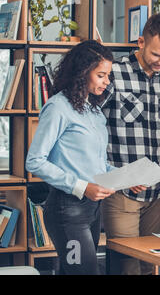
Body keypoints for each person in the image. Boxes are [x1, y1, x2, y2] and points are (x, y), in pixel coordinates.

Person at [101, 13, 160, 275]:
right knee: (125, 266)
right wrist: (113, 174)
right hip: (121, 190)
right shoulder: (114, 73)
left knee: (151, 263)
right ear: (141, 42)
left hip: (157, 191)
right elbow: (94, 126)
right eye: (157, 55)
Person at [25, 40, 116, 275]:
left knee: (73, 272)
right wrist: (82, 186)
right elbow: (34, 161)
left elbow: (95, 161)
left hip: (92, 209)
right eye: (101, 75)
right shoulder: (58, 108)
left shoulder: (93, 111)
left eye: (108, 75)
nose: (107, 82)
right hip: (68, 210)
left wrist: (122, 178)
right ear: (83, 73)